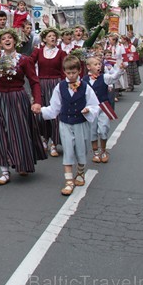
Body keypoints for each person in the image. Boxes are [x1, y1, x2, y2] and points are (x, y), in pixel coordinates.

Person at [0, 28, 45, 186]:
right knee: (1, 134)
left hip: (18, 98)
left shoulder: (24, 60)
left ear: (15, 41)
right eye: (3, 39)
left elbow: (34, 81)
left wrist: (37, 101)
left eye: (10, 38)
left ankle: (22, 163)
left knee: (20, 133)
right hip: (0, 99)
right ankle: (5, 171)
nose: (7, 40)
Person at [36, 55, 100, 196]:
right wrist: (41, 110)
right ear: (64, 72)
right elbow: (55, 107)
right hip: (65, 123)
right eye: (68, 73)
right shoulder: (60, 87)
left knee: (81, 149)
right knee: (68, 149)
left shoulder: (85, 87)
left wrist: (88, 109)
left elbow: (95, 104)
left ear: (79, 71)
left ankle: (80, 173)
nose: (71, 76)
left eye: (74, 73)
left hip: (81, 123)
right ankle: (69, 181)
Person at [31, 27, 67, 157]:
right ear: (45, 39)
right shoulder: (38, 52)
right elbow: (29, 65)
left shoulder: (61, 53)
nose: (53, 38)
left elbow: (64, 72)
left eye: (54, 36)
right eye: (50, 36)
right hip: (42, 84)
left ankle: (54, 143)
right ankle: (45, 138)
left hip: (56, 84)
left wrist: (64, 87)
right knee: (41, 112)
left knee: (56, 113)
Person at [83, 56, 122, 164]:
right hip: (91, 108)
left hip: (103, 106)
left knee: (103, 129)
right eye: (95, 64)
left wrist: (121, 69)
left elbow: (115, 77)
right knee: (92, 130)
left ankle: (103, 150)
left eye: (99, 64)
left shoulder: (104, 77)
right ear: (88, 67)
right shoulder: (84, 80)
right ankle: (95, 152)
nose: (98, 66)